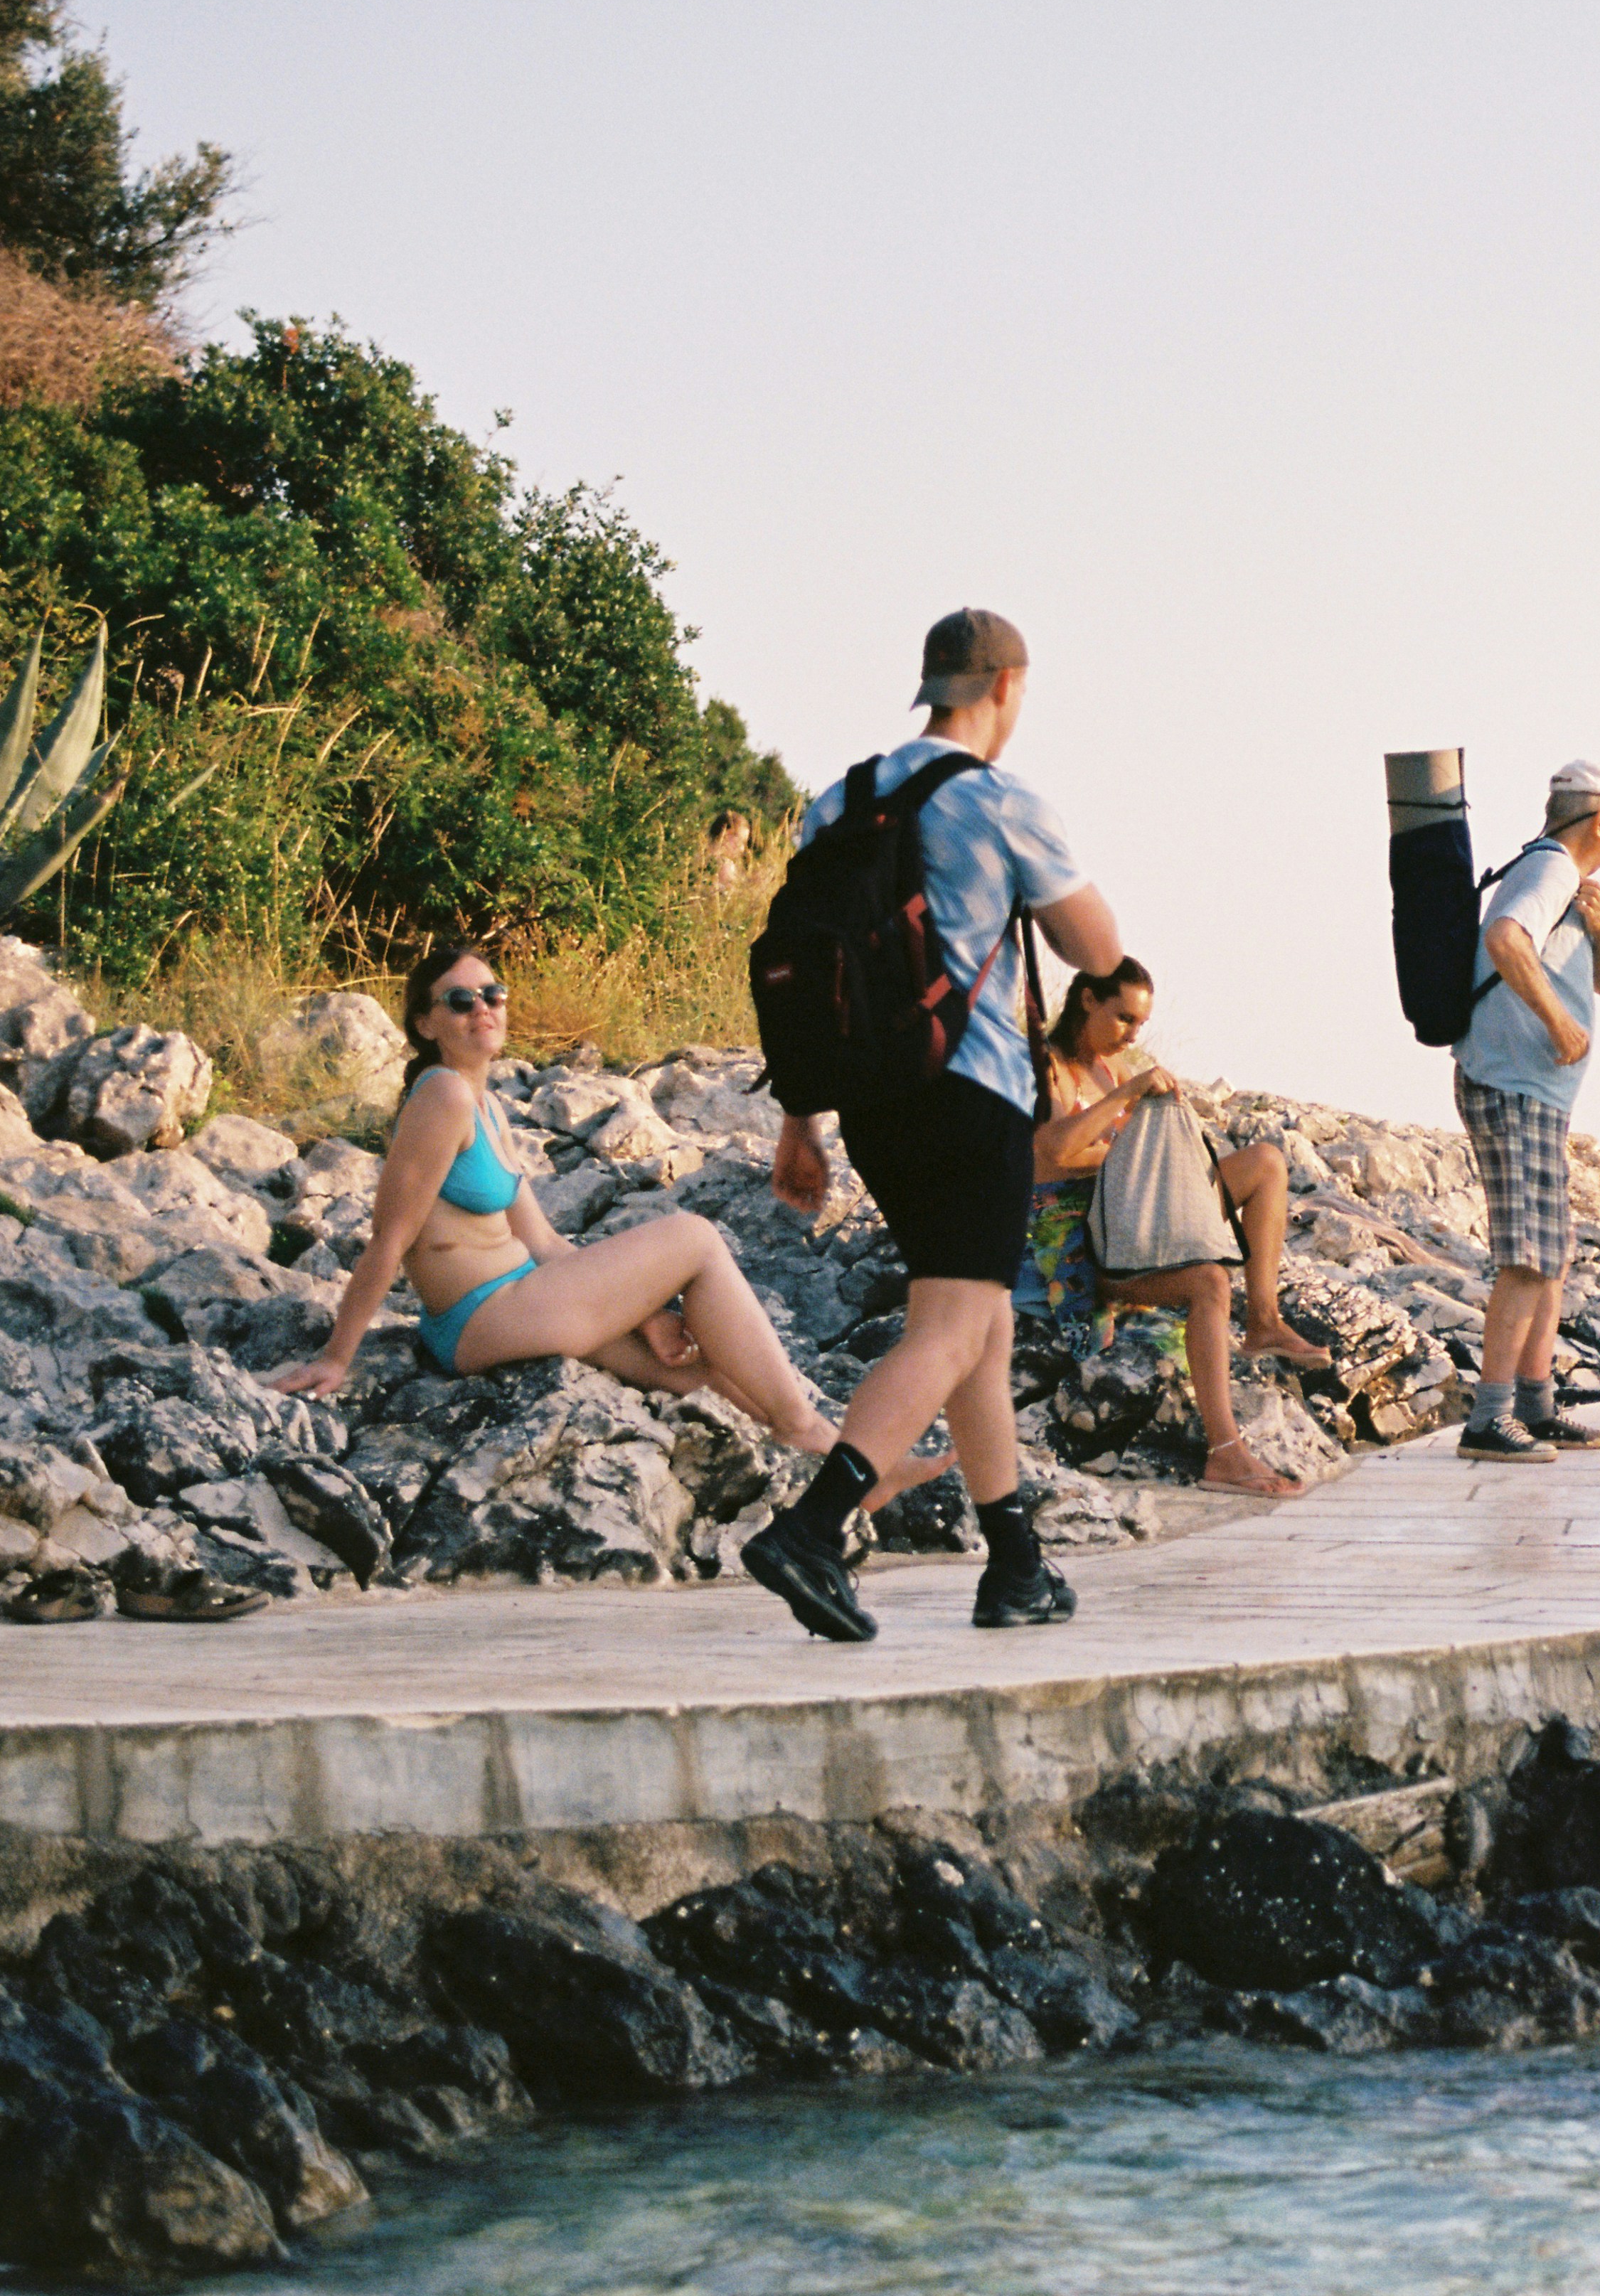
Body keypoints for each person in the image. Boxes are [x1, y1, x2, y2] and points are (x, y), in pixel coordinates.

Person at [747, 608, 1120, 1642]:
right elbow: (1099, 947)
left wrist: (799, 1121)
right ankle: (815, 1531)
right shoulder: (997, 802)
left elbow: (811, 971)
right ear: (1005, 685)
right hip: (971, 1095)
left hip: (871, 1101)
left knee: (981, 1332)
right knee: (952, 1329)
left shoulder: (839, 801)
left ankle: (1014, 1565)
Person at [272, 947, 917, 1495]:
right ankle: (808, 1427)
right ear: (425, 1023)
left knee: (702, 1368)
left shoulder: (488, 1107)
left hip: (524, 1299)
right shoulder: (441, 1095)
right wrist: (336, 1357)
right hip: (481, 1316)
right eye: (460, 1000)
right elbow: (391, 1237)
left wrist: (645, 1312)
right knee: (694, 1236)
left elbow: (546, 1241)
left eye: (492, 993)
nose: (484, 1008)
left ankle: (843, 1467)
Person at [1027, 960, 1331, 1496]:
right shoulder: (1047, 1066)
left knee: (1265, 1162)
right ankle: (1226, 1454)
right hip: (1087, 1241)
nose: (1132, 1033)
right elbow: (1053, 1150)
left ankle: (1263, 1318)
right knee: (1210, 1281)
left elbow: (1127, 1157)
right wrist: (1129, 1100)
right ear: (1087, 1001)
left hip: (1130, 1215)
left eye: (1140, 1024)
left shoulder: (1110, 1070)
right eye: (1124, 1018)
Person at [1456, 760, 1600, 1463]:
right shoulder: (1550, 870)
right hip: (1511, 1083)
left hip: (1533, 1092)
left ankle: (1535, 1408)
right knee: (1529, 1257)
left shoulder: (1563, 881)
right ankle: (1488, 1419)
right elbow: (1505, 939)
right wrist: (1557, 1025)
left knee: (1552, 1254)